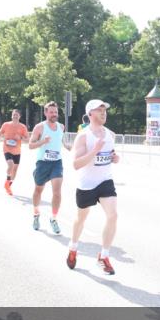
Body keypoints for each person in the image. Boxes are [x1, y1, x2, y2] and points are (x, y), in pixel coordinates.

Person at [67, 99, 120, 275]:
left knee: (113, 215)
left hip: (105, 181)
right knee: (81, 219)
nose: (104, 113)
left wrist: (115, 158)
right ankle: (73, 247)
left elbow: (111, 154)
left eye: (105, 110)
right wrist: (94, 150)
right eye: (99, 110)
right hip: (87, 184)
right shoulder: (83, 136)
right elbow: (76, 164)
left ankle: (103, 256)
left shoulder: (110, 135)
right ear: (90, 114)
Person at [29, 101, 69, 234]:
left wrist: (66, 145)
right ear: (46, 113)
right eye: (51, 112)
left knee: (57, 192)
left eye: (56, 112)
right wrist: (43, 142)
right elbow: (30, 145)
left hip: (56, 162)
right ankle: (36, 214)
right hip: (42, 163)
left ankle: (54, 218)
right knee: (38, 190)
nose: (54, 114)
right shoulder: (39, 127)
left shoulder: (61, 126)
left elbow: (60, 139)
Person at [0, 109, 28, 195]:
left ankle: (8, 186)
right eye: (14, 114)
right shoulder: (6, 124)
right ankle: (7, 181)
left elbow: (27, 140)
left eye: (17, 115)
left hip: (17, 151)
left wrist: (20, 137)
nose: (15, 116)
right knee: (11, 165)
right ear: (11, 116)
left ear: (19, 116)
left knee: (15, 171)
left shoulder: (23, 127)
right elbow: (0, 132)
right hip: (7, 149)